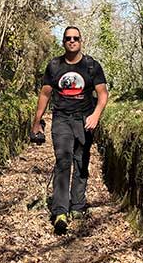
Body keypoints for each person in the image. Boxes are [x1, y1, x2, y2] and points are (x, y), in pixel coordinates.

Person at [30, 25, 108, 235]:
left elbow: (102, 94)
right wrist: (37, 121)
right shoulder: (54, 66)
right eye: (68, 38)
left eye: (75, 38)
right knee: (63, 161)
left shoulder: (92, 66)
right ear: (63, 42)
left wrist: (96, 116)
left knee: (81, 162)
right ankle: (60, 211)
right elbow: (45, 94)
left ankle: (78, 206)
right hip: (61, 119)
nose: (72, 41)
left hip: (85, 120)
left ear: (81, 41)